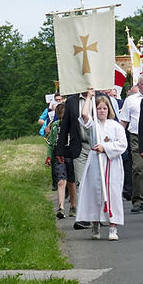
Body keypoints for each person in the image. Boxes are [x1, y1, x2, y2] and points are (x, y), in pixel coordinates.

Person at [76, 88, 127, 240]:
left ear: (109, 109)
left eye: (104, 108)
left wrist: (106, 148)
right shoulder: (93, 125)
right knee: (95, 192)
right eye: (99, 108)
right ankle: (95, 224)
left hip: (112, 163)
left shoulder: (116, 126)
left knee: (113, 193)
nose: (102, 111)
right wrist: (89, 97)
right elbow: (84, 115)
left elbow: (122, 145)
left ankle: (113, 227)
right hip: (96, 162)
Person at [55, 92, 92, 230]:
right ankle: (85, 217)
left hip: (97, 147)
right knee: (81, 182)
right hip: (79, 146)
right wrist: (60, 149)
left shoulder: (100, 98)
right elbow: (65, 125)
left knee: (97, 181)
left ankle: (99, 215)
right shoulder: (72, 101)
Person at [119, 72, 143, 212]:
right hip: (136, 137)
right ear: (138, 85)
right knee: (138, 168)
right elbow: (123, 122)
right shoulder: (131, 100)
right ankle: (138, 200)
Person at [46, 102, 76, 219]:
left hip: (71, 155)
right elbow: (51, 143)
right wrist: (49, 156)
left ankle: (73, 206)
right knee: (61, 181)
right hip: (59, 155)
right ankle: (61, 207)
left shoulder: (73, 125)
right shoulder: (55, 126)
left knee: (71, 182)